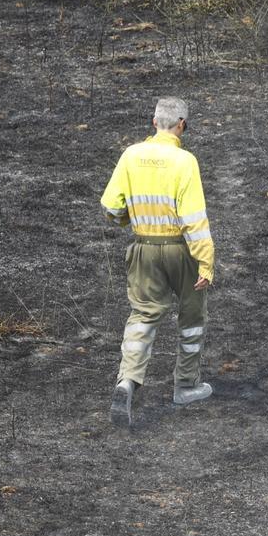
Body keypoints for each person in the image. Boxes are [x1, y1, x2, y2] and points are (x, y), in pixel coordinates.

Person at [100, 97, 215, 426]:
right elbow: (195, 220)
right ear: (181, 125)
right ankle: (186, 385)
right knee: (191, 317)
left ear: (154, 122)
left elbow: (110, 206)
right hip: (181, 251)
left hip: (144, 249)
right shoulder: (185, 161)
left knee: (143, 316)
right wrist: (205, 263)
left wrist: (131, 221)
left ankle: (127, 381)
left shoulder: (130, 155)